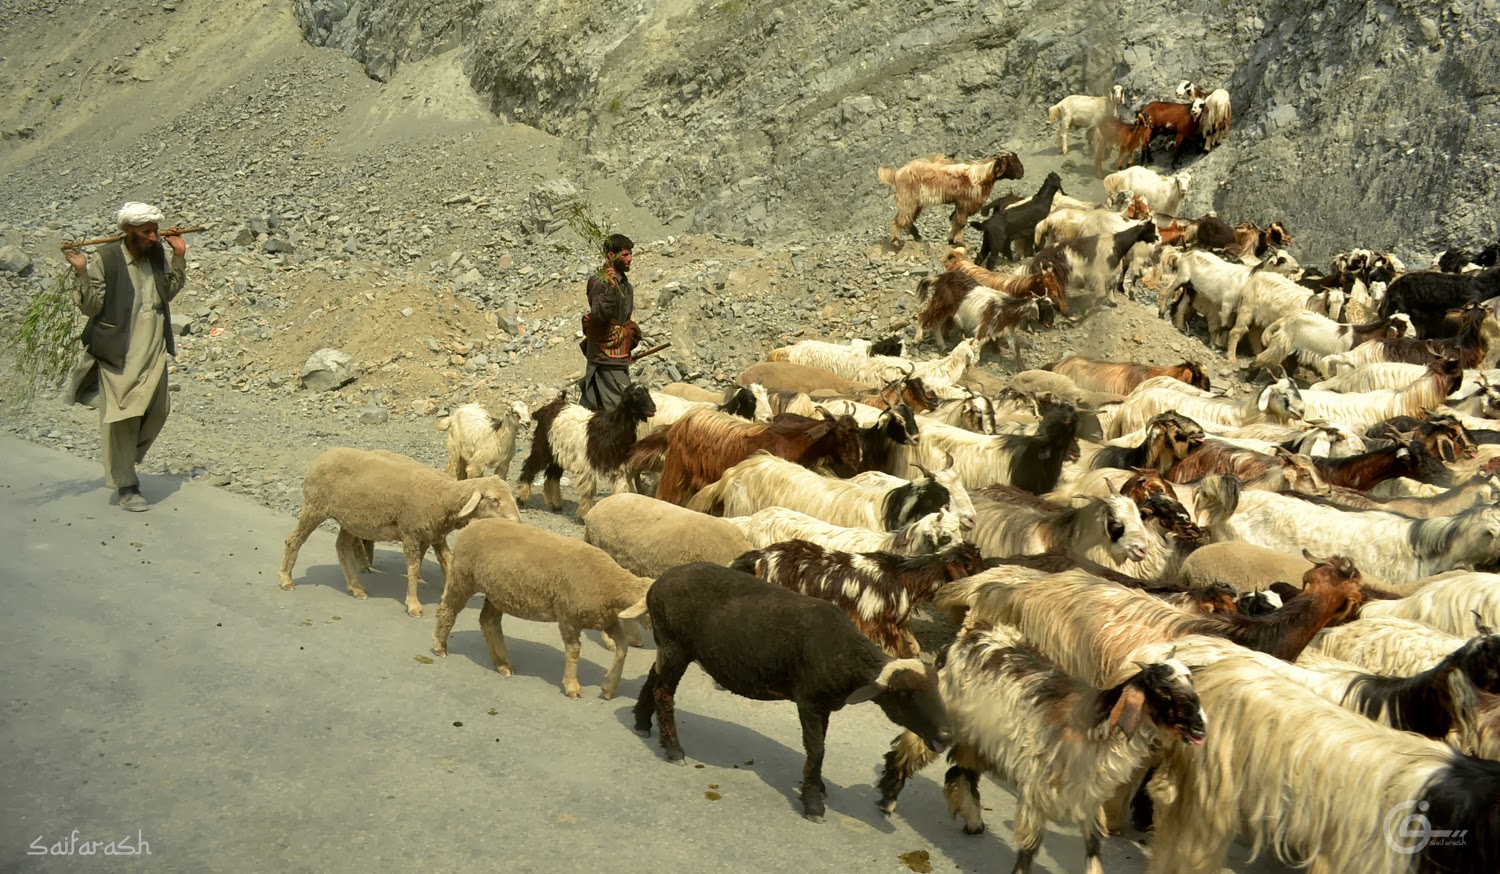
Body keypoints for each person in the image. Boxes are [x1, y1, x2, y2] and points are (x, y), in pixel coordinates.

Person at [62, 202, 188, 512]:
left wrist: (180, 256)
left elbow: (168, 292)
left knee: (158, 410)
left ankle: (124, 458)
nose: (153, 237)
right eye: (147, 232)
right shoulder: (106, 259)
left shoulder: (156, 254)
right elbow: (91, 307)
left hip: (154, 351)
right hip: (120, 354)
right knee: (122, 420)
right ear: (128, 232)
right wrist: (80, 273)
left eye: (155, 231)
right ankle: (127, 485)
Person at [577, 232, 643, 412]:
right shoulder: (599, 283)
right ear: (610, 256)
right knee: (618, 410)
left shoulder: (626, 286)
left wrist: (626, 348)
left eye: (631, 254)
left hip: (618, 356)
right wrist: (610, 289)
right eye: (625, 254)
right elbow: (600, 316)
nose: (630, 259)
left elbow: (623, 321)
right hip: (605, 358)